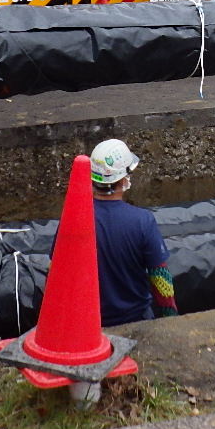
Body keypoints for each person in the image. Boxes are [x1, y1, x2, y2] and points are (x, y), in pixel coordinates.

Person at [88, 139, 179, 326]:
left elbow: (56, 272)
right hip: (135, 320)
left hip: (90, 325)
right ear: (122, 180)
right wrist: (170, 319)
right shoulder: (142, 221)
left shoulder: (74, 219)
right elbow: (160, 277)